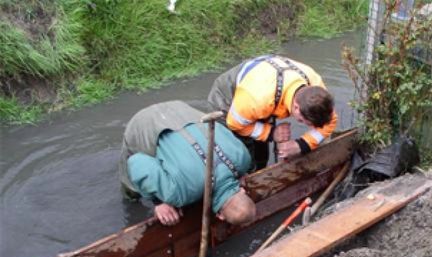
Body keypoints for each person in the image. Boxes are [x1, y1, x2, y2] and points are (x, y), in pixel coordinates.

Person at [119, 100, 256, 226]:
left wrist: (240, 172)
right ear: (220, 215)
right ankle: (131, 197)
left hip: (180, 110)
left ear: (243, 191)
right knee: (132, 188)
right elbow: (136, 162)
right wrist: (159, 202)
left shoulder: (243, 159)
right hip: (145, 124)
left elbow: (221, 130)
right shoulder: (176, 194)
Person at [207, 55, 338, 166]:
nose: (308, 126)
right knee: (241, 154)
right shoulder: (257, 98)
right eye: (305, 122)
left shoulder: (317, 88)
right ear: (296, 108)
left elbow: (330, 122)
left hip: (267, 85)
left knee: (260, 151)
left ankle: (260, 168)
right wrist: (271, 133)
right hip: (230, 96)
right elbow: (235, 123)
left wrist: (302, 144)